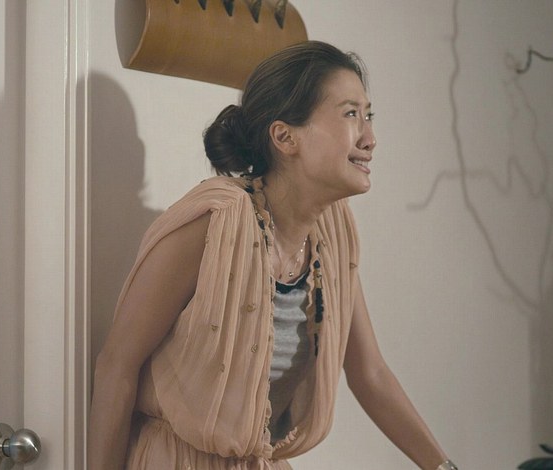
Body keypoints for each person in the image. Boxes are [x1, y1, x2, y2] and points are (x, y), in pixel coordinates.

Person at [88, 41, 458, 470]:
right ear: (285, 136)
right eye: (350, 114)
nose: (370, 138)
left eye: (368, 115)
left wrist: (443, 467)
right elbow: (116, 367)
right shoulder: (214, 222)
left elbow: (369, 373)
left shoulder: (332, 235)